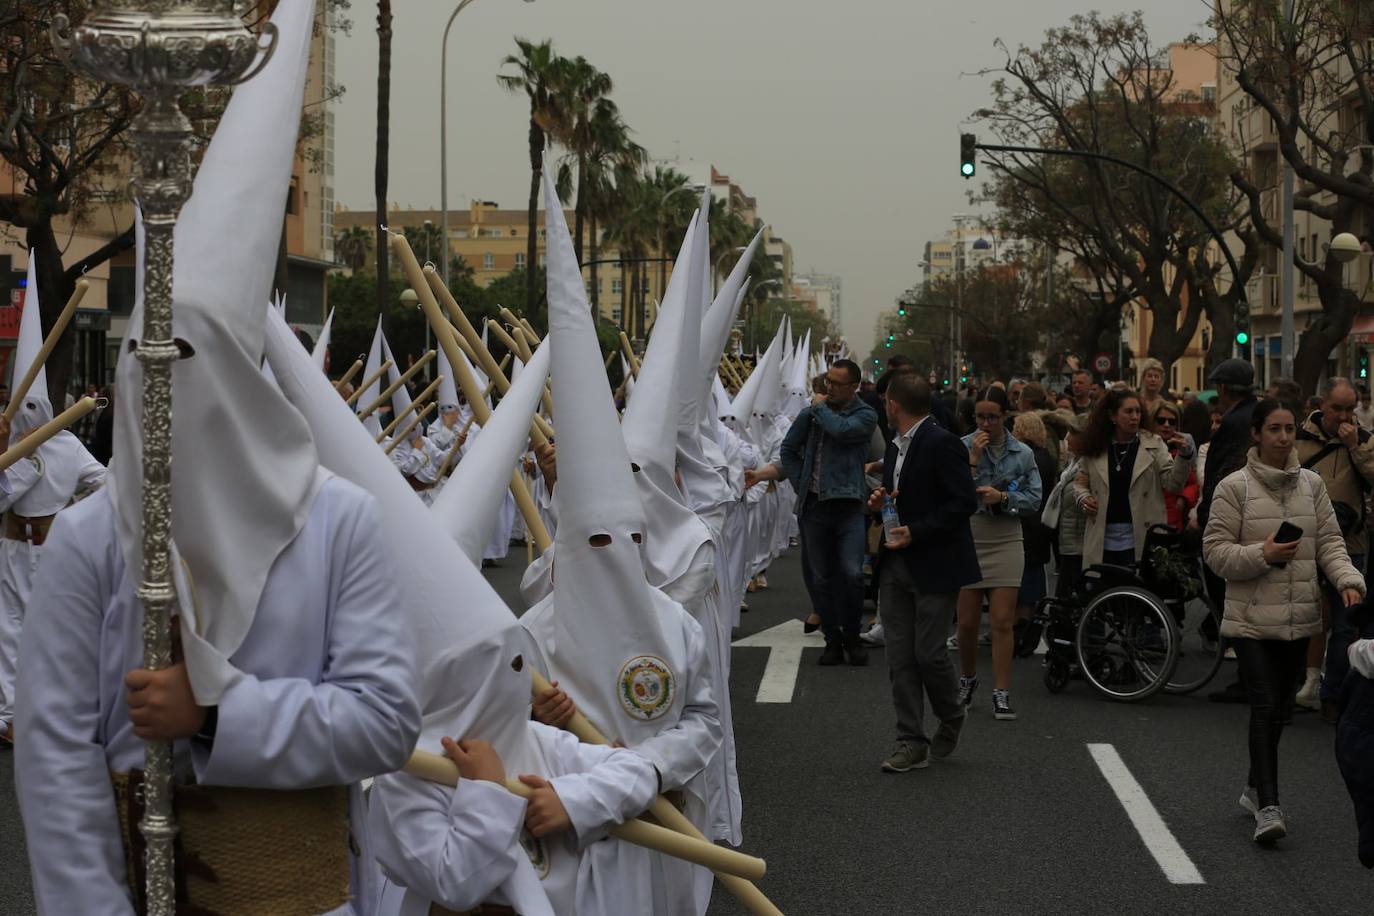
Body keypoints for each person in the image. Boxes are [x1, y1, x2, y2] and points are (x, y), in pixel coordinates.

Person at [16, 5, 423, 911]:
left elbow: (386, 721)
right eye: (144, 370)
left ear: (243, 387)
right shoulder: (90, 540)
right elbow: (56, 759)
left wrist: (219, 714)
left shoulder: (336, 523)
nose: (164, 400)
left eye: (190, 368)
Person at [1203, 398, 1364, 845]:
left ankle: (1255, 786)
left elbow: (1331, 542)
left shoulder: (1311, 486)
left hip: (1300, 616)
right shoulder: (1233, 487)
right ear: (1256, 433)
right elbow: (1215, 552)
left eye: (1290, 429)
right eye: (1274, 429)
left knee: (1282, 711)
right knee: (1265, 706)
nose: (1284, 437)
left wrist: (1350, 580)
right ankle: (1269, 806)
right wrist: (1263, 554)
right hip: (1250, 618)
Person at [866, 375, 979, 772]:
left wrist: (918, 530)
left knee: (928, 655)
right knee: (899, 657)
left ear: (893, 404)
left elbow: (963, 502)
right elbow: (902, 496)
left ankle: (951, 714)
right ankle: (910, 739)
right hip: (896, 563)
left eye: (886, 401)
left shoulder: (941, 442)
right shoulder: (897, 447)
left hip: (935, 562)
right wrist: (883, 501)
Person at [746, 358, 879, 665]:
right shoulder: (811, 415)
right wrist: (798, 479)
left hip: (848, 507)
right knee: (820, 578)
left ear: (853, 387)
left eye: (836, 383)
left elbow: (844, 431)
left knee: (852, 573)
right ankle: (832, 639)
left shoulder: (865, 414)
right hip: (814, 506)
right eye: (827, 381)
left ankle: (851, 635)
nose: (828, 387)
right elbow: (789, 450)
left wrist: (818, 408)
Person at [957, 387, 1041, 720]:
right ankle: (967, 679)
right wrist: (974, 464)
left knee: (1003, 620)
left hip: (1006, 536)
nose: (987, 423)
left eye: (993, 417)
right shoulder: (962, 447)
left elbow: (1034, 499)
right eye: (981, 417)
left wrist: (1003, 499)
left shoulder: (1022, 453)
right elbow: (957, 496)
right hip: (972, 534)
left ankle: (1001, 692)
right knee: (965, 622)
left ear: (1005, 416)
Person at [1294, 377, 1374, 718]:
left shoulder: (1364, 441)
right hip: (1304, 542)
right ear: (1321, 404)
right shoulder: (1297, 438)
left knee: (1345, 623)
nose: (1343, 416)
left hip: (1349, 542)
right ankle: (1296, 686)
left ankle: (1334, 695)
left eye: (1349, 409)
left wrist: (1356, 446)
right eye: (1337, 408)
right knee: (1302, 617)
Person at [1071, 389, 1193, 567]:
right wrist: (1083, 498)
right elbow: (1080, 483)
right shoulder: (1096, 446)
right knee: (1106, 591)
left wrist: (1184, 456)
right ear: (1112, 416)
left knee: (1136, 591)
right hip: (1101, 538)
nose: (1135, 416)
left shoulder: (1154, 444)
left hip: (1141, 536)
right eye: (1128, 412)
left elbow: (1173, 484)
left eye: (1138, 411)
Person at [1199, 358, 1261, 703]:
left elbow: (1221, 476)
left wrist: (1207, 518)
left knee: (1230, 600)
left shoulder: (1234, 423)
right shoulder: (1256, 415)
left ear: (1221, 389)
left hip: (1231, 521)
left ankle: (1249, 676)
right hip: (1253, 520)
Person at [1011, 411, 1057, 656]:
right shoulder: (1045, 456)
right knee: (1031, 583)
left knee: (1023, 587)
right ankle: (1026, 633)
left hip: (1026, 526)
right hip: (1040, 527)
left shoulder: (1026, 458)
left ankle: (1021, 635)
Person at [1151, 401, 1200, 531]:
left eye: (1171, 422)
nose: (1166, 425)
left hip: (1174, 517)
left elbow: (1195, 482)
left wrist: (1184, 497)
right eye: (1161, 420)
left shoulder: (1184, 447)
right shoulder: (1143, 447)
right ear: (1153, 422)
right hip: (1149, 516)